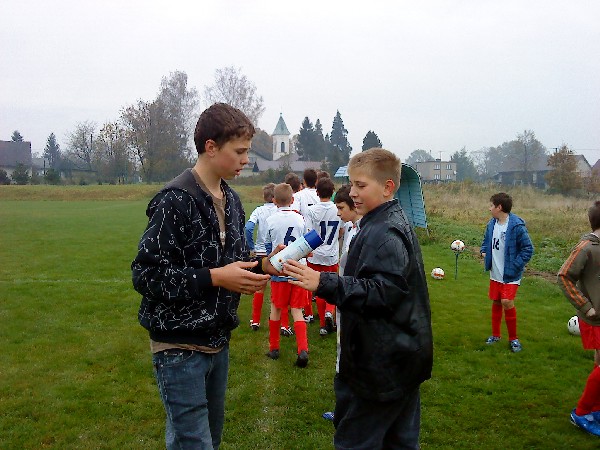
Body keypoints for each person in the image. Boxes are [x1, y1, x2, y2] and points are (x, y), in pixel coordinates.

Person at [131, 103, 280, 450]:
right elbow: (146, 275)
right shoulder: (175, 201)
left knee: (206, 439)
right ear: (211, 147)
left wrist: (263, 265)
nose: (246, 160)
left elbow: (232, 262)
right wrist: (215, 278)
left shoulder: (232, 200)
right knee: (195, 443)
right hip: (179, 347)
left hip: (218, 343)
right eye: (239, 151)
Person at [283, 148, 433, 449]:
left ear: (388, 187)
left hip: (380, 369)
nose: (352, 193)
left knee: (356, 442)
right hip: (398, 360)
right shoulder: (381, 221)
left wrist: (323, 282)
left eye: (361, 185)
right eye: (352, 184)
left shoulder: (385, 232)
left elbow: (383, 292)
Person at [557, 200, 600, 436]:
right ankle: (582, 412)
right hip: (595, 318)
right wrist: (586, 307)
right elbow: (564, 276)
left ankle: (596, 408)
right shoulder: (586, 248)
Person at [322, 184, 362, 422]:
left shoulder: (362, 232)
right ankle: (344, 406)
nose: (337, 213)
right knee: (342, 351)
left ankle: (348, 410)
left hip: (353, 299)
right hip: (345, 297)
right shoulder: (350, 227)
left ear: (354, 206)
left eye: (341, 208)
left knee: (350, 353)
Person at [480, 192, 534, 353]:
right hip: (495, 274)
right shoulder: (491, 224)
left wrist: (516, 265)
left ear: (499, 207)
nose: (489, 208)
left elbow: (528, 249)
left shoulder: (516, 226)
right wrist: (484, 251)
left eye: (491, 205)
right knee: (497, 301)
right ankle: (495, 335)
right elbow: (486, 242)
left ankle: (513, 339)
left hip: (511, 274)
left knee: (506, 301)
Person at [264, 183, 311, 367]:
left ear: (274, 200)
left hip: (279, 269)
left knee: (276, 308)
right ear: (292, 200)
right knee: (297, 310)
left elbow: (268, 245)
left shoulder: (270, 220)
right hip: (297, 269)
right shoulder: (300, 219)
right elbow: (306, 243)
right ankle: (303, 350)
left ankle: (274, 348)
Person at [305, 177, 342, 336]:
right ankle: (329, 311)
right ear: (332, 192)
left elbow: (308, 232)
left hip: (315, 254)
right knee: (333, 285)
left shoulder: (311, 210)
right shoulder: (337, 209)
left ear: (317, 192)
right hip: (331, 254)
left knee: (319, 288)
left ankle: (322, 324)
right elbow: (341, 230)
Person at [245, 183, 277, 332]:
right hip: (276, 253)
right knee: (278, 288)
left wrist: (251, 246)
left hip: (261, 253)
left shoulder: (259, 210)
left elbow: (248, 228)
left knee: (259, 288)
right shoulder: (279, 210)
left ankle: (256, 320)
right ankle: (281, 321)